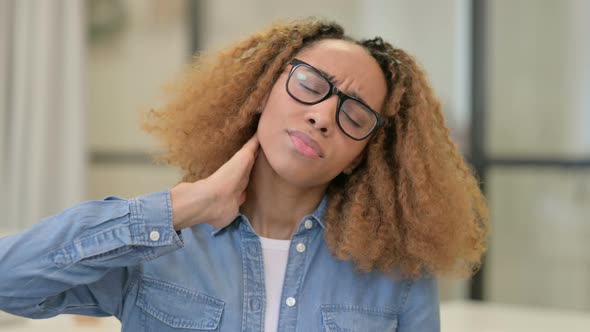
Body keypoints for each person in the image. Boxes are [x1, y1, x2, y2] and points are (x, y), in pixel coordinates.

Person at [0, 18, 488, 331]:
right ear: (261, 93)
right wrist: (184, 207)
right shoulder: (160, 243)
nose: (322, 115)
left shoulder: (397, 273)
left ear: (361, 154)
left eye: (355, 116)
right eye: (310, 85)